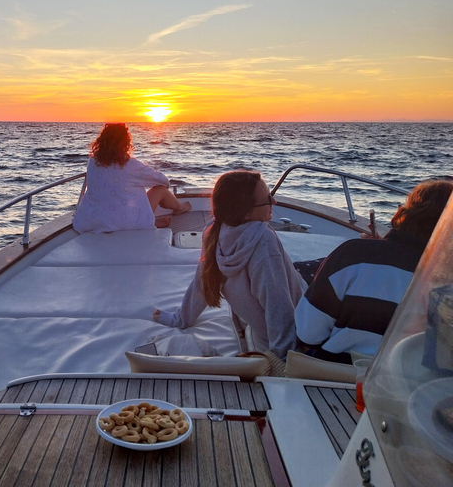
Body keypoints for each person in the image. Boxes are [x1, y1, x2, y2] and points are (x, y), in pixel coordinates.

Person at [295, 179, 453, 363]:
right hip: (405, 385)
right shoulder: (445, 279)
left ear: (407, 212)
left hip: (335, 371)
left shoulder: (352, 254)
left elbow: (308, 334)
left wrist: (378, 252)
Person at [155, 170, 307, 359]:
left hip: (291, 307)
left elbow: (202, 283)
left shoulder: (214, 231)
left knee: (303, 269)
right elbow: (279, 307)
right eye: (267, 199)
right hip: (304, 322)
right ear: (246, 213)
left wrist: (179, 319)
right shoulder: (264, 243)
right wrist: (282, 360)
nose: (273, 202)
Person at [72, 123, 191, 233]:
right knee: (160, 189)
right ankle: (179, 208)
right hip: (127, 223)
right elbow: (163, 181)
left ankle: (150, 220)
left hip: (90, 221)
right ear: (126, 143)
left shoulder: (93, 162)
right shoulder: (131, 165)